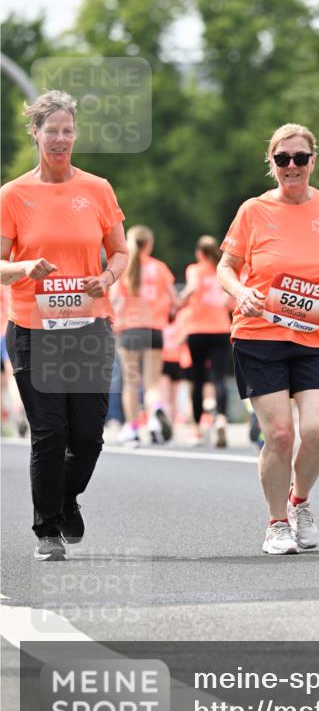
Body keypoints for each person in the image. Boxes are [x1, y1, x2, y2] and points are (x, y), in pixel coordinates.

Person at [0, 90, 127, 560]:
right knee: (50, 433)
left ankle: (65, 497)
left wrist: (107, 277)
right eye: (51, 130)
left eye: (67, 131)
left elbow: (120, 250)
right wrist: (23, 267)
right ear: (35, 133)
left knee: (88, 437)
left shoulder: (98, 189)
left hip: (88, 327)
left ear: (76, 134)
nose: (60, 139)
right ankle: (47, 530)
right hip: (33, 329)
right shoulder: (12, 195)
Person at [218, 123, 319, 554]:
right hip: (261, 334)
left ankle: (299, 502)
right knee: (279, 435)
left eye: (299, 158)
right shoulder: (253, 210)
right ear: (272, 163)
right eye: (282, 159)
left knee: (318, 432)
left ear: (313, 161)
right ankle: (276, 523)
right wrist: (241, 292)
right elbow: (225, 267)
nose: (291, 166)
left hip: (318, 333)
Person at [112, 225, 178, 446]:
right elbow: (174, 301)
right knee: (152, 384)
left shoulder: (123, 267)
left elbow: (116, 301)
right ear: (149, 244)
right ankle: (156, 410)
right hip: (154, 329)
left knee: (131, 383)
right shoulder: (159, 268)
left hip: (129, 330)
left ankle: (132, 430)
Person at [179, 235, 234, 447]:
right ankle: (221, 419)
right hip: (220, 329)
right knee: (218, 378)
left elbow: (192, 287)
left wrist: (181, 300)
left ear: (199, 252)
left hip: (197, 330)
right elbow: (230, 302)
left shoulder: (195, 269)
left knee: (198, 379)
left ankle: (196, 430)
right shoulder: (223, 271)